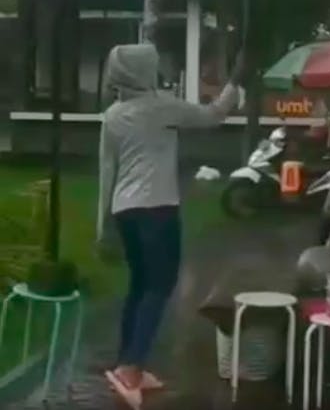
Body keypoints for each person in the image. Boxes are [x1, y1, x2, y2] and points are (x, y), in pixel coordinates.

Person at [97, 43, 244, 409]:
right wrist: (235, 82)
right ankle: (131, 368)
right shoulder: (160, 106)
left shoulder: (112, 116)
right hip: (156, 208)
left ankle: (127, 361)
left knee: (140, 285)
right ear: (142, 72)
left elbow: (107, 172)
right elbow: (213, 115)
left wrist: (104, 227)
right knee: (159, 285)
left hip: (125, 211)